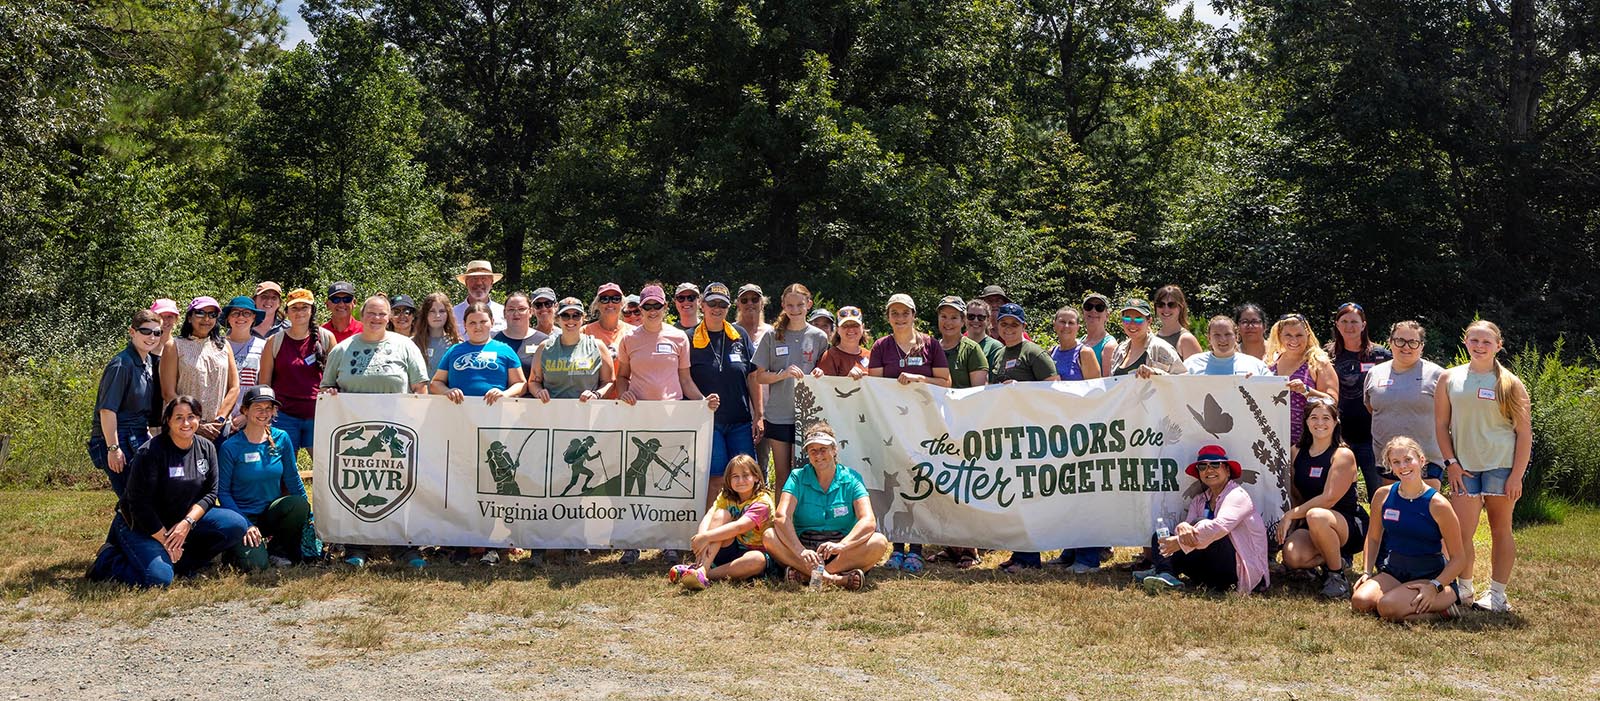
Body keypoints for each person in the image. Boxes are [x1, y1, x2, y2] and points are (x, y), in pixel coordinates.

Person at [85, 396, 249, 588]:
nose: (186, 423)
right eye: (178, 417)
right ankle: (108, 559)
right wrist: (166, 540)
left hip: (181, 521)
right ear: (168, 421)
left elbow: (210, 494)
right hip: (143, 524)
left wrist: (187, 523)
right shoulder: (151, 452)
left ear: (199, 419)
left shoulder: (206, 448)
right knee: (157, 580)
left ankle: (182, 564)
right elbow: (139, 504)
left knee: (235, 524)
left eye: (191, 416)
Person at [320, 295, 430, 568]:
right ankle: (357, 545)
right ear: (362, 313)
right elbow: (326, 388)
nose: (377, 318)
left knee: (400, 484)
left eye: (382, 314)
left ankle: (406, 546)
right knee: (360, 485)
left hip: (398, 433)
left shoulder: (405, 346)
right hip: (356, 434)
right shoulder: (342, 350)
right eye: (371, 313)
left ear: (389, 317)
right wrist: (331, 393)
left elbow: (420, 389)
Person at [1435, 320, 1532, 613]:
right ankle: (1464, 588)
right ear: (1465, 342)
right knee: (1461, 532)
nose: (1479, 346)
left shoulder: (1510, 383)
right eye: (1474, 340)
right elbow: (1441, 425)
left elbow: (1524, 433)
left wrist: (1516, 475)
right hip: (1463, 468)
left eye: (1486, 342)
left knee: (1500, 529)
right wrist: (1450, 463)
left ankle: (1497, 595)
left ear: (1498, 346)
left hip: (1500, 467)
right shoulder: (1449, 378)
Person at [433, 301, 527, 566]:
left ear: (491, 323)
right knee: (463, 482)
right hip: (461, 425)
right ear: (465, 325)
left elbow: (521, 383)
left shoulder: (504, 350)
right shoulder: (454, 351)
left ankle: (491, 543)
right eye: (472, 322)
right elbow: (435, 383)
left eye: (482, 322)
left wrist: (504, 393)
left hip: (495, 427)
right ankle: (462, 541)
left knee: (490, 482)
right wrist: (447, 391)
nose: (477, 326)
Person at [866, 294, 952, 572]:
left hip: (921, 426)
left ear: (914, 314)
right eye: (894, 313)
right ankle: (896, 548)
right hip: (891, 427)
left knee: (917, 484)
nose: (900, 317)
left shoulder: (930, 345)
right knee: (895, 483)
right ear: (888, 316)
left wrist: (919, 379)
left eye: (905, 312)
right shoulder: (881, 346)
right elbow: (874, 386)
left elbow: (945, 381)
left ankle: (916, 548)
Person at [1351, 436, 1466, 622]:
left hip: (1430, 577)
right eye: (1396, 462)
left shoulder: (1438, 504)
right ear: (1390, 466)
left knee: (1386, 607)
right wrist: (1367, 572)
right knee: (1360, 601)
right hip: (1394, 571)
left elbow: (1459, 558)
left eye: (1408, 459)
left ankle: (1443, 609)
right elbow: (1373, 538)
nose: (1403, 466)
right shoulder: (1383, 496)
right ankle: (1402, 603)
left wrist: (1434, 586)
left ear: (1421, 461)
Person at [764, 423, 891, 590]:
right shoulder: (797, 477)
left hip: (841, 553)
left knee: (879, 541)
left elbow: (868, 520)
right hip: (805, 552)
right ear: (808, 454)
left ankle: (809, 576)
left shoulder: (852, 478)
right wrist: (800, 550)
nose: (818, 455)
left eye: (823, 449)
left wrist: (842, 546)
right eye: (813, 451)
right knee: (769, 536)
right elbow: (782, 516)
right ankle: (836, 580)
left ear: (834, 450)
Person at [1138, 445, 1269, 595]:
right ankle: (1165, 575)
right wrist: (1182, 526)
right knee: (1161, 535)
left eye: (1215, 464)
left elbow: (1219, 528)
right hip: (1210, 569)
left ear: (1227, 470)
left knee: (1202, 523)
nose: (1209, 470)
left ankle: (1161, 569)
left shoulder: (1237, 495)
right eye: (1202, 466)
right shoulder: (1199, 500)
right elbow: (1188, 529)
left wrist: (1181, 540)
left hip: (1238, 574)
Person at [985, 303, 1057, 573]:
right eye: (1004, 324)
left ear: (1023, 327)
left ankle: (1030, 559)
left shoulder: (1034, 352)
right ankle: (1019, 553)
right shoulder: (999, 353)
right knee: (1013, 496)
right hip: (1007, 434)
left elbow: (1055, 387)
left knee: (1029, 497)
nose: (1009, 329)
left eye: (1014, 325)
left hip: (1031, 434)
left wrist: (1022, 389)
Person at [1277, 399, 1368, 599]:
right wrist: (1294, 522)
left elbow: (1328, 499)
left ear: (1336, 422)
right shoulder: (1296, 452)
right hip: (1311, 520)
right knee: (1292, 556)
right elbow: (1296, 494)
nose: (1320, 423)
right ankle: (1331, 559)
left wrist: (1291, 516)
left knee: (1317, 515)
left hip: (1347, 523)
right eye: (1314, 417)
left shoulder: (1343, 454)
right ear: (1307, 422)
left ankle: (1337, 576)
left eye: (1326, 418)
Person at [218, 387, 313, 570]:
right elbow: (223, 493)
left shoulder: (281, 438)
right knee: (257, 565)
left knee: (298, 505)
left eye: (269, 408)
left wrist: (309, 516)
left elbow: (293, 479)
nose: (264, 413)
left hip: (271, 513)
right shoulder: (230, 447)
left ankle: (278, 550)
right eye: (258, 408)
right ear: (244, 410)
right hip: (243, 516)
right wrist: (244, 524)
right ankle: (236, 548)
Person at [687, 282, 761, 506]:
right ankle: (714, 533)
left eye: (722, 304)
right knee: (717, 479)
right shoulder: (689, 337)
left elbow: (752, 376)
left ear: (729, 307)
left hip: (740, 420)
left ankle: (747, 534)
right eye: (712, 303)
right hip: (709, 421)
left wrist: (759, 414)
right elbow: (684, 378)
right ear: (702, 305)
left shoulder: (739, 335)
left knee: (747, 477)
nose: (716, 308)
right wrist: (701, 401)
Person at [753, 284, 832, 491]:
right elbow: (760, 377)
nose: (795, 309)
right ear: (783, 305)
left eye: (800, 304)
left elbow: (826, 374)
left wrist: (820, 374)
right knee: (783, 476)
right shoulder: (772, 336)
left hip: (809, 417)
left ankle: (806, 521)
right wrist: (783, 374)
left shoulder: (819, 337)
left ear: (809, 305)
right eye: (790, 305)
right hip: (778, 415)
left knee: (809, 474)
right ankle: (781, 522)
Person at [1047, 305, 1104, 572]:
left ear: (1078, 327)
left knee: (1087, 496)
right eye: (1062, 322)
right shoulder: (1051, 353)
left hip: (1085, 434)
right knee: (1067, 493)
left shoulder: (1086, 353)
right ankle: (1070, 550)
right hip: (1061, 434)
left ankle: (1089, 558)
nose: (1066, 327)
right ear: (1055, 324)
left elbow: (1099, 393)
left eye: (1072, 323)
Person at [670, 455, 776, 589]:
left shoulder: (762, 502)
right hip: (729, 547)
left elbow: (739, 527)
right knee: (721, 514)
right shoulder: (726, 496)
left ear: (756, 477)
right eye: (735, 476)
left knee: (757, 560)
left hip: (752, 553)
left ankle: (704, 573)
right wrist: (701, 537)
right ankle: (700, 567)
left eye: (745, 475)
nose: (740, 480)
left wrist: (706, 537)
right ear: (728, 479)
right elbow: (709, 515)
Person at [88, 309, 164, 496]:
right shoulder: (121, 364)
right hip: (117, 438)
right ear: (132, 332)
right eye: (146, 331)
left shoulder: (146, 363)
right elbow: (107, 411)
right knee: (133, 500)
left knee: (141, 499)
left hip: (137, 434)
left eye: (157, 333)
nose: (152, 337)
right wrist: (113, 448)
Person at [1364, 321, 1445, 489]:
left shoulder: (1437, 375)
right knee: (1394, 512)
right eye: (1400, 340)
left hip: (1427, 459)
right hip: (1388, 459)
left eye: (1413, 342)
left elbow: (1448, 416)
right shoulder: (1374, 373)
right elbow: (1372, 408)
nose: (1406, 347)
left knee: (1425, 511)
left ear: (1421, 346)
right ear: (1390, 342)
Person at [257, 289, 335, 462]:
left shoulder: (326, 338)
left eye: (304, 308)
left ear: (312, 310)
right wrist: (267, 412)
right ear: (287, 312)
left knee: (326, 468)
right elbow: (264, 384)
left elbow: (336, 378)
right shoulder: (274, 342)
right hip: (284, 416)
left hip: (319, 415)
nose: (299, 312)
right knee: (282, 470)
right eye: (294, 308)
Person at [1327, 302, 1393, 503]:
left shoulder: (1381, 355)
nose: (1349, 326)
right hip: (1337, 436)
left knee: (1379, 494)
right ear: (1337, 325)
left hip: (1372, 436)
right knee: (1339, 494)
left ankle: (1381, 534)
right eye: (1344, 321)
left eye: (1354, 322)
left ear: (1363, 325)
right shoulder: (1327, 355)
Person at [160, 297, 239, 443]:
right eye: (200, 313)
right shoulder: (174, 346)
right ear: (189, 317)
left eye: (212, 314)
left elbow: (234, 387)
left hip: (218, 429)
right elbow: (168, 393)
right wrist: (195, 422)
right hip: (183, 428)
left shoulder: (224, 346)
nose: (206, 319)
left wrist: (220, 419)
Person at [1267, 314, 1338, 444]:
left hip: (1308, 441)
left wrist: (1306, 391)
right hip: (1273, 439)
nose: (1294, 340)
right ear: (1279, 336)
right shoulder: (1270, 362)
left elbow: (1332, 401)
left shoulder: (1318, 363)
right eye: (1288, 335)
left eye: (1299, 335)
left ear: (1308, 335)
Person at [530, 297, 616, 403]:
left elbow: (609, 382)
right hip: (551, 412)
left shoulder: (597, 346)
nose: (571, 320)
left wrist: (597, 395)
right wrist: (539, 392)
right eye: (565, 316)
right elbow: (533, 381)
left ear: (583, 318)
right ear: (557, 319)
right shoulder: (544, 348)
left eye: (576, 315)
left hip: (587, 411)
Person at [1108, 299, 1186, 377]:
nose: (1132, 324)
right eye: (1127, 319)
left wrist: (1156, 373)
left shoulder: (1161, 348)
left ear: (1149, 321)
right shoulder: (1119, 350)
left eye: (1138, 319)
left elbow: (1183, 380)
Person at [222, 296, 268, 424]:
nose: (241, 317)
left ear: (254, 317)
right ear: (228, 318)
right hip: (220, 416)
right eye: (235, 313)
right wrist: (222, 416)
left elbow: (265, 384)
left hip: (252, 418)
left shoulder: (264, 346)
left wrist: (247, 416)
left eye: (246, 313)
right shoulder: (217, 345)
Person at [1183, 316, 1271, 377]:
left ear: (1236, 337)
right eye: (1217, 335)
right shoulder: (1191, 364)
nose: (1223, 339)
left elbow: (1274, 389)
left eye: (1227, 334)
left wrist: (1255, 383)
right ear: (1209, 338)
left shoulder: (1255, 366)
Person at [146, 298, 182, 435]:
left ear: (176, 319)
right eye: (161, 316)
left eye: (170, 317)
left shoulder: (180, 347)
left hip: (172, 419)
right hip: (147, 421)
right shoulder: (144, 348)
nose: (165, 321)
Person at [493, 291, 549, 374]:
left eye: (521, 309)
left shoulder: (544, 341)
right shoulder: (493, 340)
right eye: (511, 309)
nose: (516, 313)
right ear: (504, 313)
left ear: (530, 312)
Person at [412, 292, 464, 380]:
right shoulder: (413, 343)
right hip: (419, 393)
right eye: (432, 311)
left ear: (448, 314)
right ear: (425, 314)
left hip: (445, 393)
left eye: (442, 311)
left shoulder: (456, 344)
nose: (437, 315)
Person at [813, 306, 871, 378]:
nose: (851, 329)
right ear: (837, 329)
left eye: (855, 325)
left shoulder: (871, 356)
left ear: (862, 327)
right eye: (845, 326)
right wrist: (848, 380)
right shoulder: (829, 356)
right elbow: (825, 387)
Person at [452, 260, 507, 333]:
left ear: (491, 283)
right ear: (466, 283)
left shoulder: (503, 313)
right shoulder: (453, 314)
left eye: (484, 278)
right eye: (474, 278)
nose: (479, 283)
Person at [1151, 285, 1203, 359]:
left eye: (1171, 305)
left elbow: (1198, 370)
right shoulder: (1154, 337)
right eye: (1161, 304)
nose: (1166, 309)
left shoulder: (1186, 340)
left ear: (1180, 307)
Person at [1080, 292, 1119, 376]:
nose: (1093, 311)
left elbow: (1107, 383)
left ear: (1107, 315)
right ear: (1083, 312)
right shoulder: (1080, 341)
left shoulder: (1109, 346)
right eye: (1088, 307)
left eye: (1099, 308)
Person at [963, 298, 1004, 371]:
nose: (975, 320)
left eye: (981, 317)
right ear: (965, 318)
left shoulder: (995, 347)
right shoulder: (957, 344)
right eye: (971, 316)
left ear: (988, 320)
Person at [734, 284, 775, 350]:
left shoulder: (772, 333)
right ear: (738, 305)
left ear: (762, 303)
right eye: (744, 300)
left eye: (754, 299)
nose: (749, 303)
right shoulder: (730, 331)